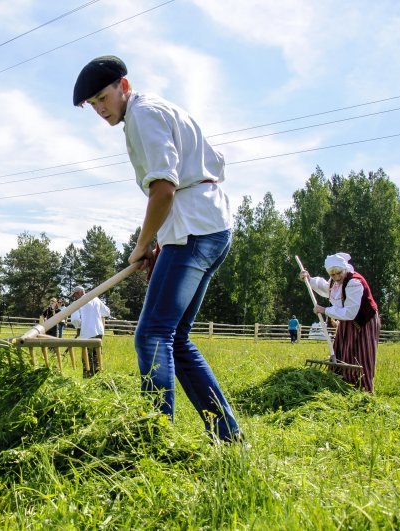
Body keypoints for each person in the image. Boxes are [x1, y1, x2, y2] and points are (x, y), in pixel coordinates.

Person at [74, 55, 240, 441]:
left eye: (103, 97)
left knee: (151, 335)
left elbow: (163, 188)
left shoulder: (142, 116)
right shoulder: (153, 110)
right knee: (174, 338)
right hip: (207, 226)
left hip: (194, 229)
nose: (100, 109)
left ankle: (155, 437)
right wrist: (160, 241)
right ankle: (228, 435)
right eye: (93, 105)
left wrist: (143, 244)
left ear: (124, 86)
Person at [300, 252, 380, 393]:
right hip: (346, 320)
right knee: (343, 350)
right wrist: (309, 279)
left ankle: (362, 389)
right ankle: (342, 384)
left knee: (362, 353)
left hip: (364, 320)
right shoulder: (335, 282)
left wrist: (325, 310)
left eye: (338, 273)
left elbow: (350, 312)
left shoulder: (354, 283)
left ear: (345, 269)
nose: (336, 277)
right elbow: (325, 288)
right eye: (333, 275)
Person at [69, 286, 111, 378]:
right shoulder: (95, 299)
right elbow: (107, 312)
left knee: (87, 356)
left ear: (80, 293)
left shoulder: (78, 303)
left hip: (87, 332)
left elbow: (75, 319)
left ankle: (88, 377)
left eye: (75, 295)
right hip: (99, 331)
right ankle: (98, 377)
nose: (74, 297)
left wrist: (78, 328)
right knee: (97, 355)